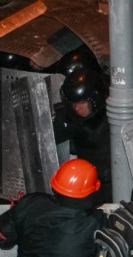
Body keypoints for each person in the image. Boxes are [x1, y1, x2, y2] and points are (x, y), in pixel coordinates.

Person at [53, 68, 112, 202]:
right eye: (73, 104)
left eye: (82, 103)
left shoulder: (112, 117)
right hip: (82, 182)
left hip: (108, 182)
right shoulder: (68, 117)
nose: (77, 108)